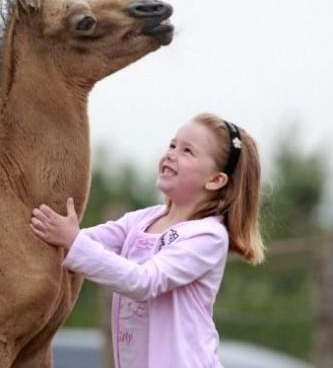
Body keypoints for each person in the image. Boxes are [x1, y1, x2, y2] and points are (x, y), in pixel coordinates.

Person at [29, 113, 265, 368]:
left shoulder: (207, 236)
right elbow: (82, 242)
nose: (172, 154)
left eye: (188, 151)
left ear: (215, 180)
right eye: (172, 145)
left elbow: (144, 281)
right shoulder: (142, 219)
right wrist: (47, 235)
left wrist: (73, 240)